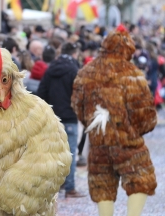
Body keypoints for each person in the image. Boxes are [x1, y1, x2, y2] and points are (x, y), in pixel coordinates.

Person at [71, 25, 157, 216]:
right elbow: (144, 114)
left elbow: (77, 104)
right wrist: (134, 130)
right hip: (127, 142)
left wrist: (92, 125)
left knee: (102, 184)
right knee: (141, 178)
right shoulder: (131, 74)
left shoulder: (86, 72)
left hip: (99, 141)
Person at [37, 42, 85, 198]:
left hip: (52, 116)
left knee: (52, 153)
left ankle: (52, 187)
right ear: (74, 53)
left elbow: (41, 91)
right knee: (69, 153)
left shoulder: (50, 69)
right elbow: (80, 94)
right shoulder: (74, 70)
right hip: (70, 116)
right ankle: (70, 187)